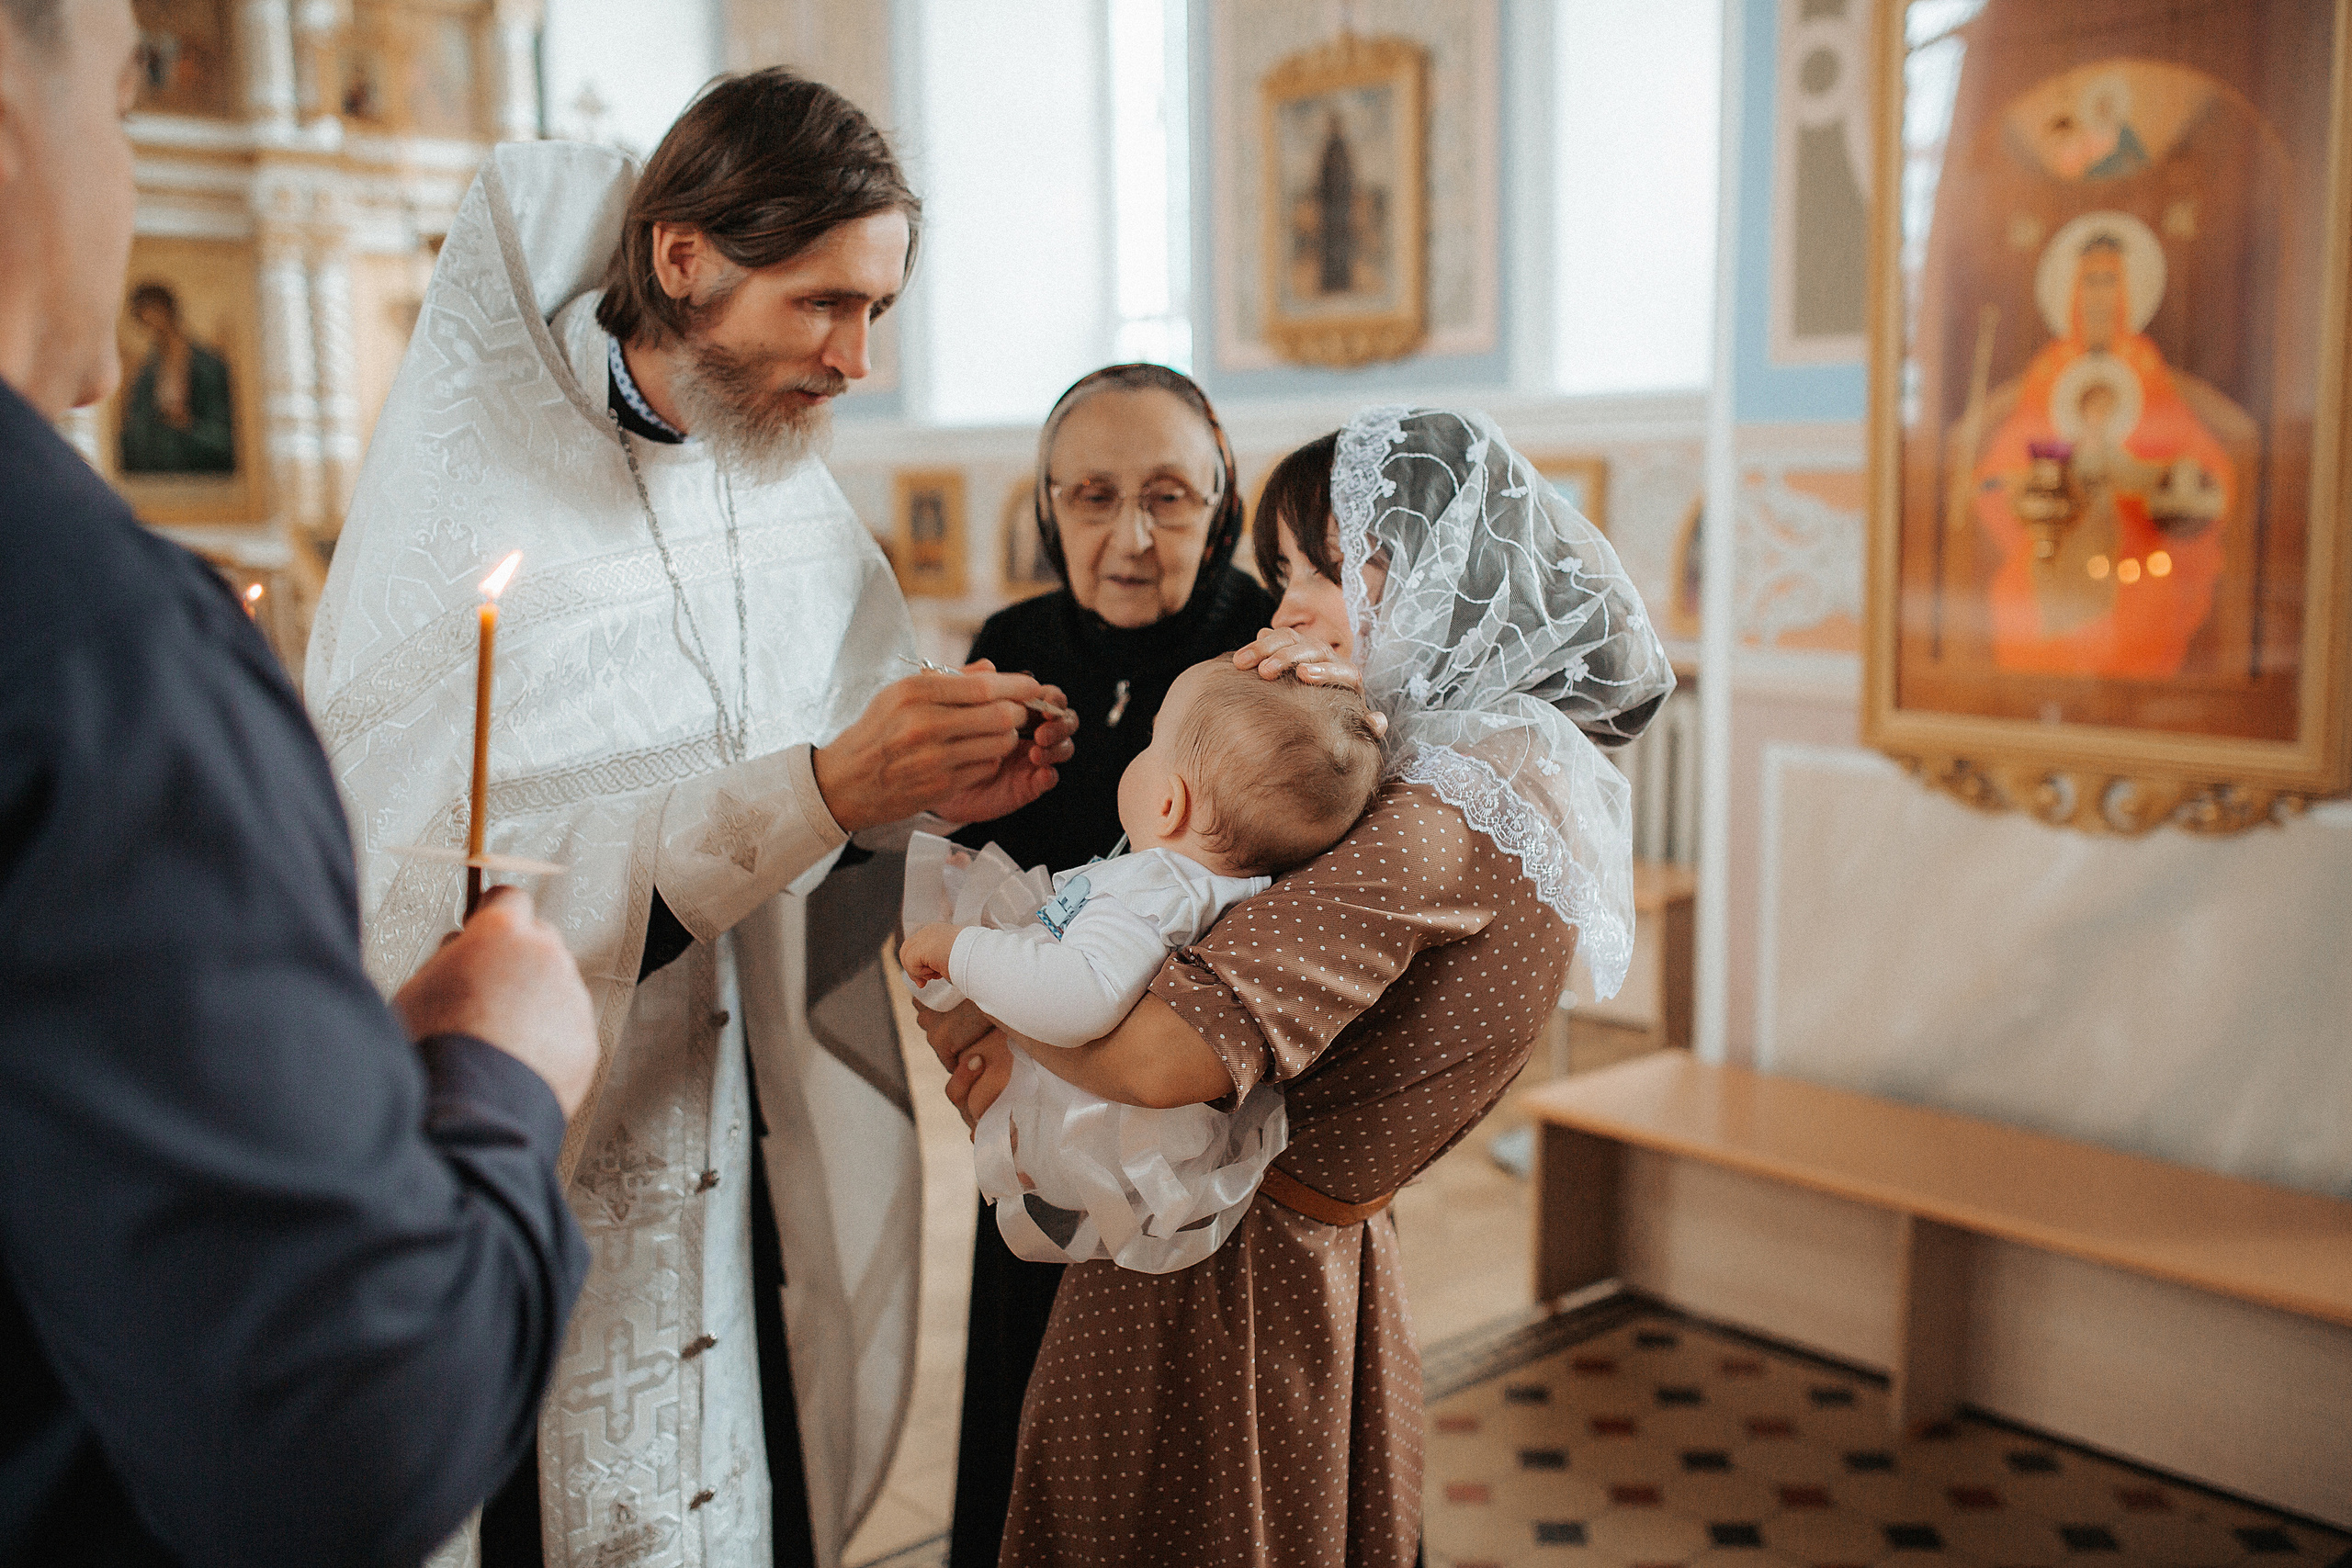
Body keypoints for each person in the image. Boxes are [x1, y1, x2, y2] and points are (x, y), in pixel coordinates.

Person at [309, 73, 1074, 1568]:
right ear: (682, 259)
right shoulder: (472, 521)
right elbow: (425, 896)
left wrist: (919, 793)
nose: (857, 360)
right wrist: (826, 786)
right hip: (536, 1165)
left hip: (742, 1152)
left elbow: (840, 791)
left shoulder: (789, 507)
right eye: (823, 303)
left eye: (878, 309)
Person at [0, 1, 602, 1562]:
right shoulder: (97, 644)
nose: (128, 181)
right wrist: (494, 1070)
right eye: (122, 109)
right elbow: (346, 1433)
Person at [929, 406, 1675, 1566]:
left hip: (1217, 1284)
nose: (1284, 612)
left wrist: (982, 991)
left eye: (1316, 570)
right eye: (1279, 576)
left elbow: (1159, 1059)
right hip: (1290, 1246)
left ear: (1430, 571)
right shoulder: (1478, 763)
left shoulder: (1438, 818)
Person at [944, 361, 1274, 1563]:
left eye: (1169, 497)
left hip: (1203, 1156)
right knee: (1038, 1436)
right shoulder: (1012, 648)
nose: (1130, 538)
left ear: (1221, 501)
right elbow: (962, 869)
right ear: (1047, 505)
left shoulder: (1269, 657)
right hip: (1037, 1133)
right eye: (1091, 496)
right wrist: (959, 1017)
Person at [901, 658, 1384, 1272]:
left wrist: (959, 951)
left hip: (1083, 1123)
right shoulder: (1226, 887)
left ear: (1168, 803)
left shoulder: (1151, 891)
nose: (1141, 751)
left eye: (1154, 742)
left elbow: (1080, 995)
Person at [118, 280, 235, 474]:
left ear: (169, 312)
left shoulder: (208, 365)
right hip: (160, 461)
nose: (154, 329)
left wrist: (188, 424)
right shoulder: (148, 371)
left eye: (156, 315)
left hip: (200, 458)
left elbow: (224, 435)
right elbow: (137, 424)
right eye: (145, 322)